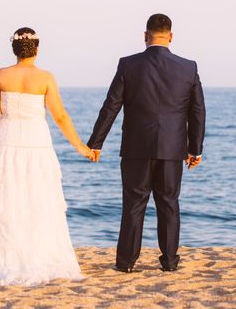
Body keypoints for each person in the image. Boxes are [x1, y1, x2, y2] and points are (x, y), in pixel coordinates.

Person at [0, 27, 96, 286]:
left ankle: (1, 261)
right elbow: (60, 116)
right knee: (38, 199)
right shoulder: (45, 77)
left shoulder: (1, 75)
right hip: (36, 142)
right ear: (37, 49)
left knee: (5, 200)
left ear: (14, 49)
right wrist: (80, 146)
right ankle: (40, 258)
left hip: (7, 143)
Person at [88, 14, 206, 272]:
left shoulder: (128, 65)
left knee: (133, 205)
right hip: (172, 149)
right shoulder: (188, 67)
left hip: (136, 148)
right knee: (169, 204)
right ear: (171, 36)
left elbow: (111, 106)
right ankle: (170, 262)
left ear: (145, 35)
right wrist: (195, 148)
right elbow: (197, 111)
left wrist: (96, 143)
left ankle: (126, 263)